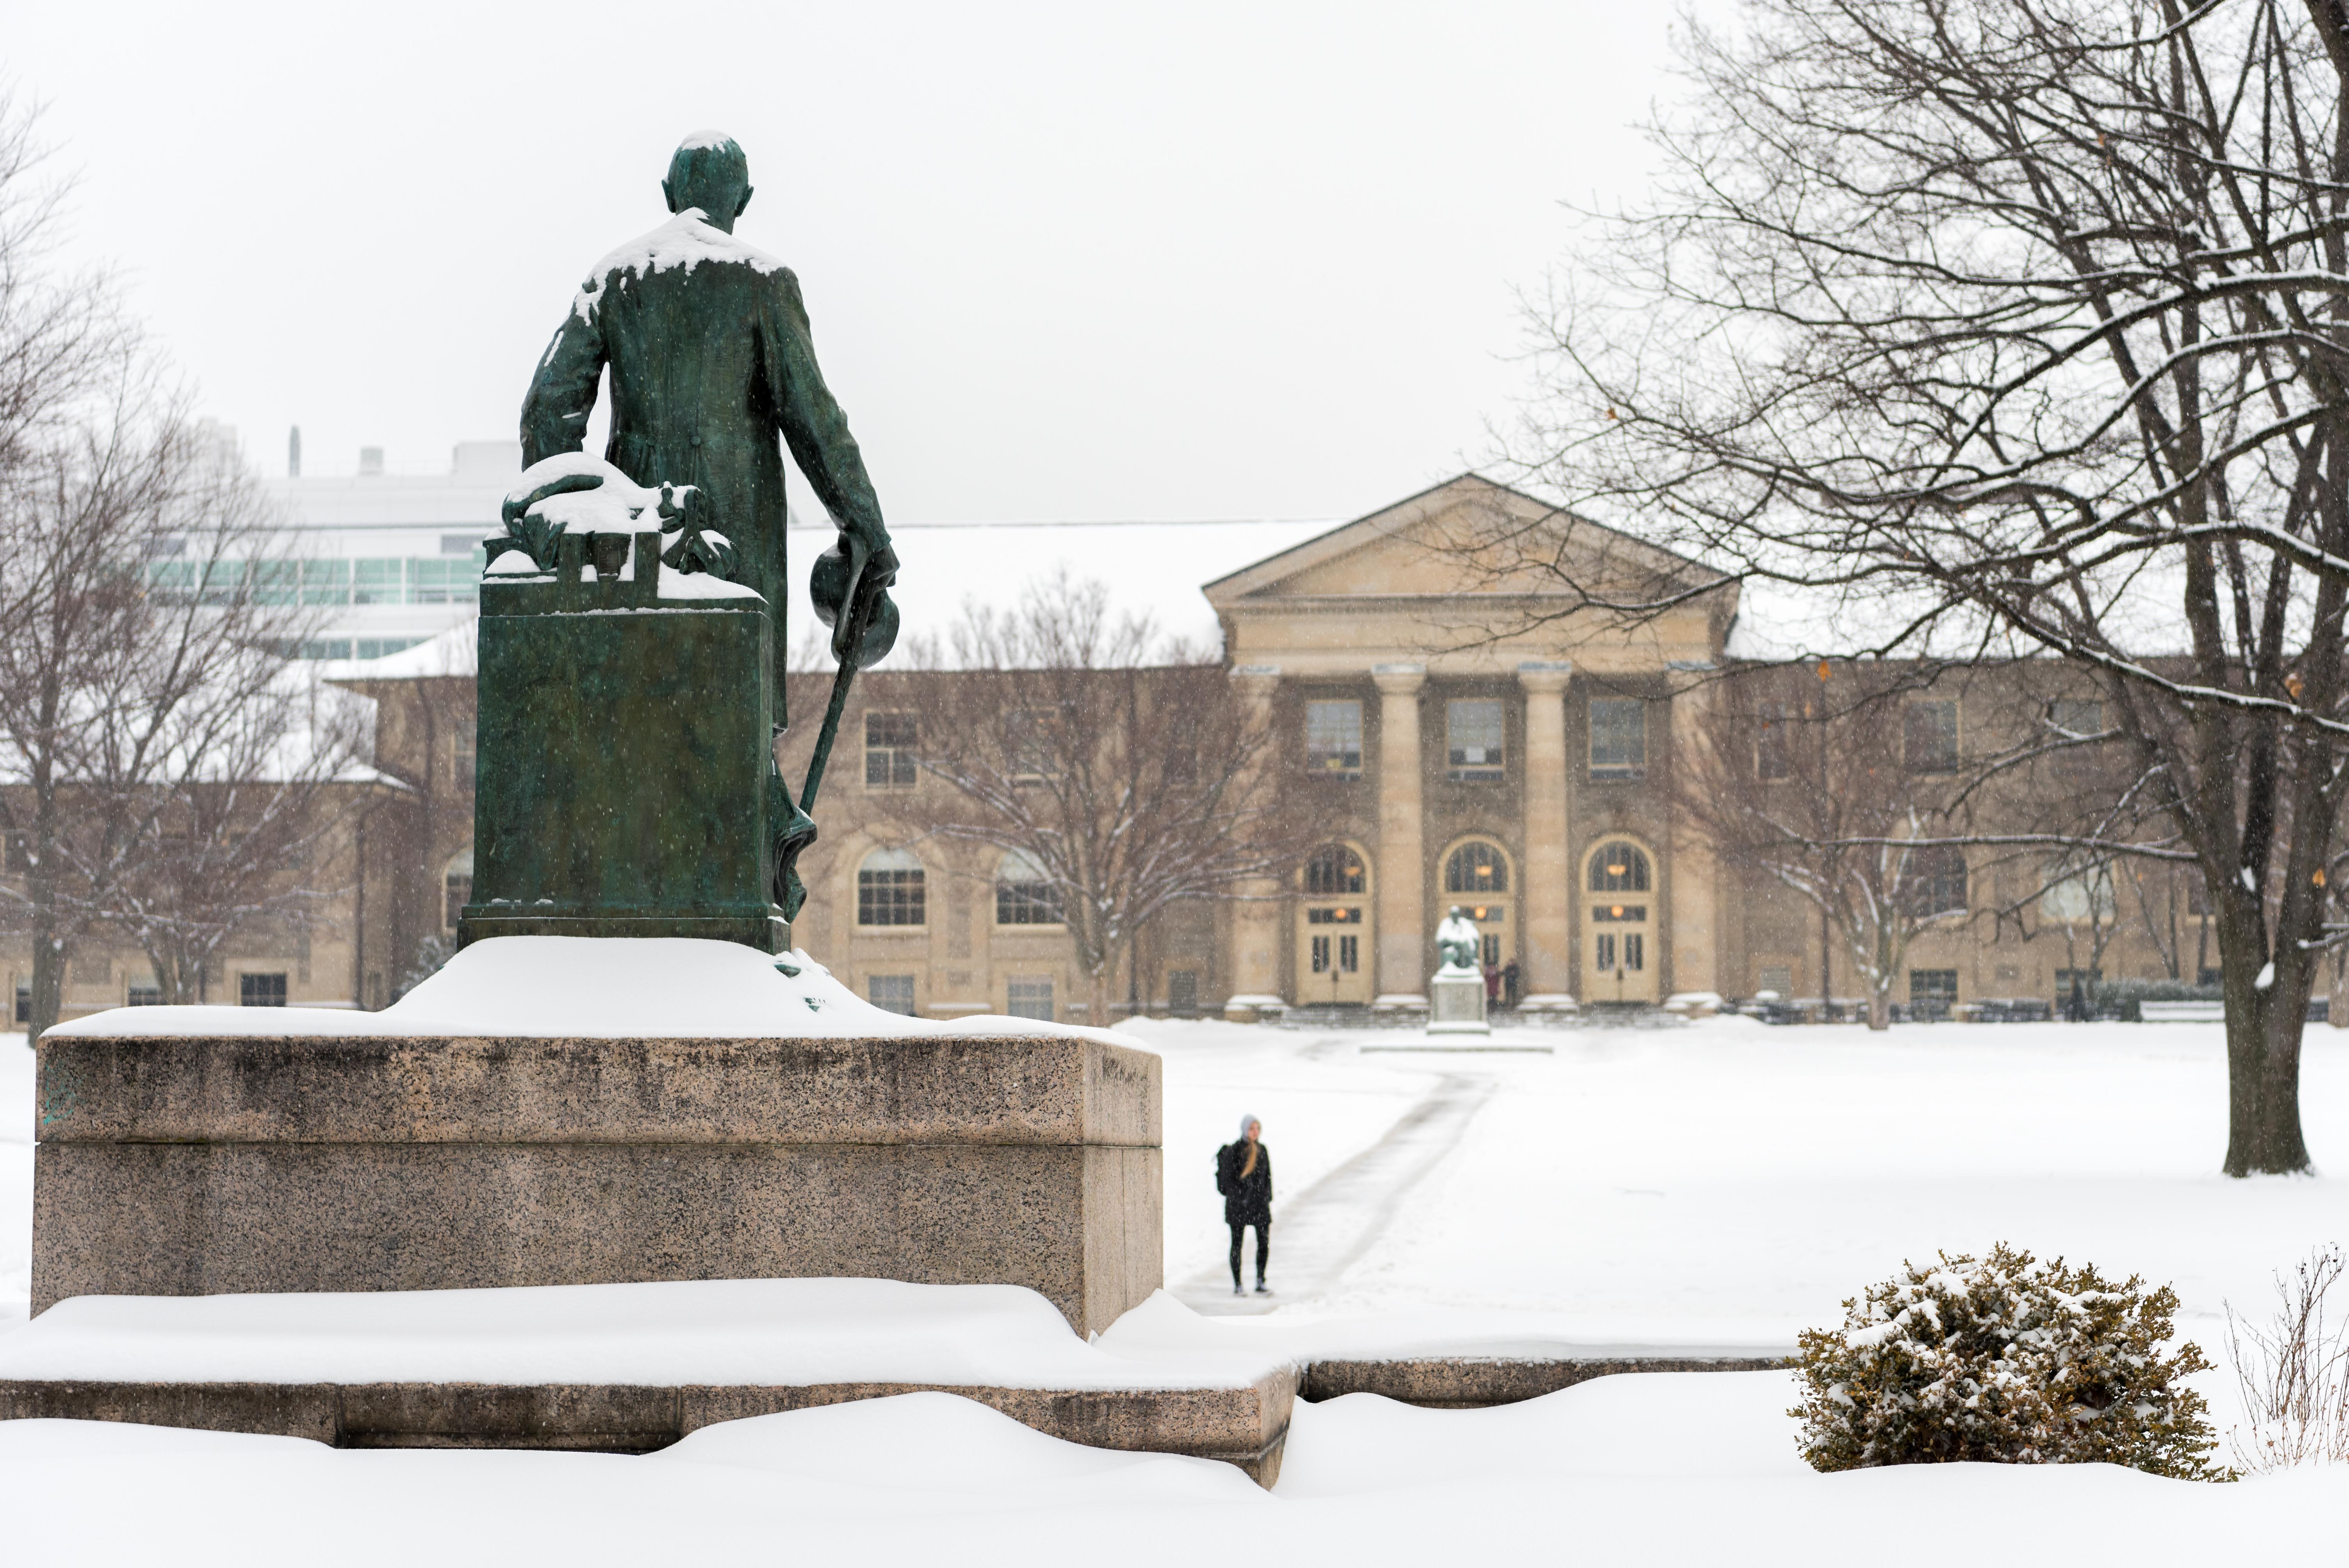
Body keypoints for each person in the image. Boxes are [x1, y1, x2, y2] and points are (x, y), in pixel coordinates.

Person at [1215, 1114, 1273, 1296]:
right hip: (1239, 1206)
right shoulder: (1234, 1150)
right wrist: (1242, 1196)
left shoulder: (1262, 1150)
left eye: (1258, 1129)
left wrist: (1266, 1198)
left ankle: (1260, 1281)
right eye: (1251, 1129)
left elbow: (1268, 1178)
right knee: (1237, 1244)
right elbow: (1228, 1181)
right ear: (1244, 1130)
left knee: (1264, 1243)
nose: (1255, 1132)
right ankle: (1238, 1284)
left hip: (1259, 1205)